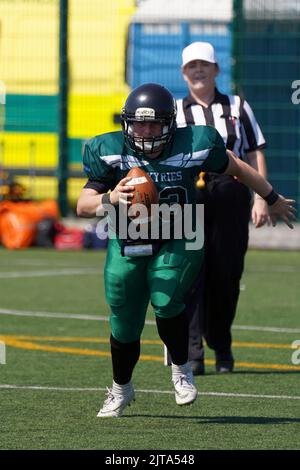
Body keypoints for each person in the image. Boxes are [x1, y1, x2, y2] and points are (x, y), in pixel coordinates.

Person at [77, 82, 295, 418]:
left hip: (181, 232)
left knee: (165, 298)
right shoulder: (109, 150)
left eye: (154, 124)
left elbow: (237, 166)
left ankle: (181, 370)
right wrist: (109, 198)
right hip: (129, 239)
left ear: (170, 124)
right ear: (127, 123)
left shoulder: (195, 144)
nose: (146, 131)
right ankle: (121, 388)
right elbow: (82, 204)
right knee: (123, 318)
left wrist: (271, 197)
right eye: (139, 123)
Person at [176, 41, 271, 375]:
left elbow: (256, 150)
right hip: (190, 198)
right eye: (192, 66)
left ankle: (222, 344)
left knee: (227, 274)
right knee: (190, 274)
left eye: (204, 65)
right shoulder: (175, 111)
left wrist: (262, 196)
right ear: (183, 73)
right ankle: (192, 352)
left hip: (231, 194)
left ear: (216, 70)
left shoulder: (237, 105)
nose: (198, 70)